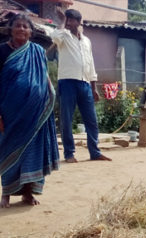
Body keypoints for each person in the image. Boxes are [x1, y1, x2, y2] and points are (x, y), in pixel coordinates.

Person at [0, 14, 60, 208]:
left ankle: (28, 193)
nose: (22, 29)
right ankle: (6, 193)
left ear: (31, 31)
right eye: (18, 26)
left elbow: (45, 79)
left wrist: (48, 99)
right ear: (11, 29)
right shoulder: (2, 51)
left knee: (31, 152)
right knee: (7, 150)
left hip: (36, 114)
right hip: (10, 113)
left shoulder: (37, 51)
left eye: (25, 27)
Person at [51, 8, 111, 163]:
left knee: (91, 120)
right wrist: (62, 21)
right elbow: (54, 36)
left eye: (72, 20)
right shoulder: (63, 36)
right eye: (67, 20)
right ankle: (69, 154)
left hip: (85, 84)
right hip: (67, 82)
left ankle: (95, 152)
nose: (69, 23)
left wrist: (94, 87)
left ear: (78, 22)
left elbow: (90, 64)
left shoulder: (86, 41)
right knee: (66, 119)